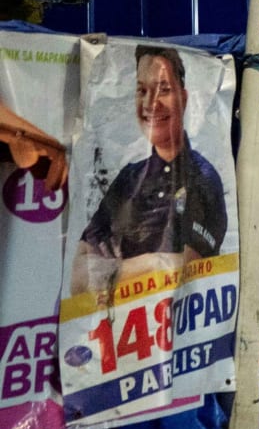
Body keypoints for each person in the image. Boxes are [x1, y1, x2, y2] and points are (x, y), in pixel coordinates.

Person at [71, 45, 227, 294]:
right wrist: (153, 263)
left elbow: (187, 269)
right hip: (116, 328)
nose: (150, 103)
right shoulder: (128, 177)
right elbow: (79, 278)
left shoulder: (203, 177)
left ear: (183, 98)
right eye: (142, 90)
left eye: (163, 90)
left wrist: (112, 272)